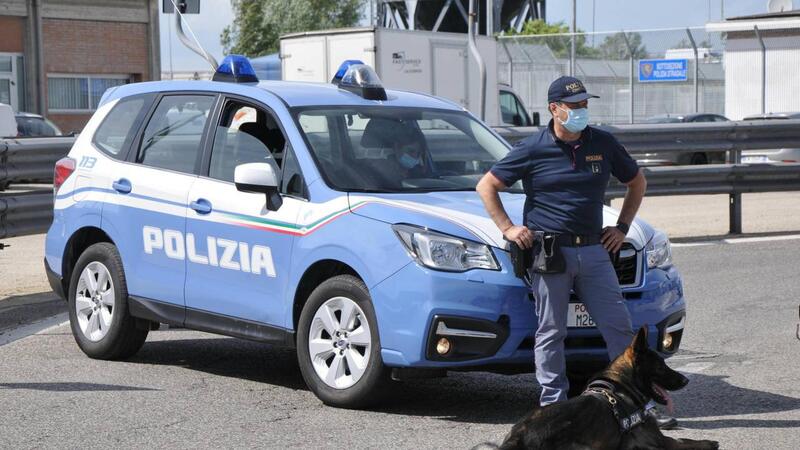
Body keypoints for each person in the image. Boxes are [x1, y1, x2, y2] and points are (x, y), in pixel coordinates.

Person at [476, 76, 677, 429]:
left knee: (619, 328)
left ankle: (637, 405)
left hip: (595, 251)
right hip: (550, 253)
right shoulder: (533, 147)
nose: (582, 111)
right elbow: (487, 185)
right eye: (574, 106)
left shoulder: (602, 143)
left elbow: (637, 181)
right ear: (555, 109)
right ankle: (553, 408)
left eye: (585, 104)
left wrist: (623, 227)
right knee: (551, 332)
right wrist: (508, 228)